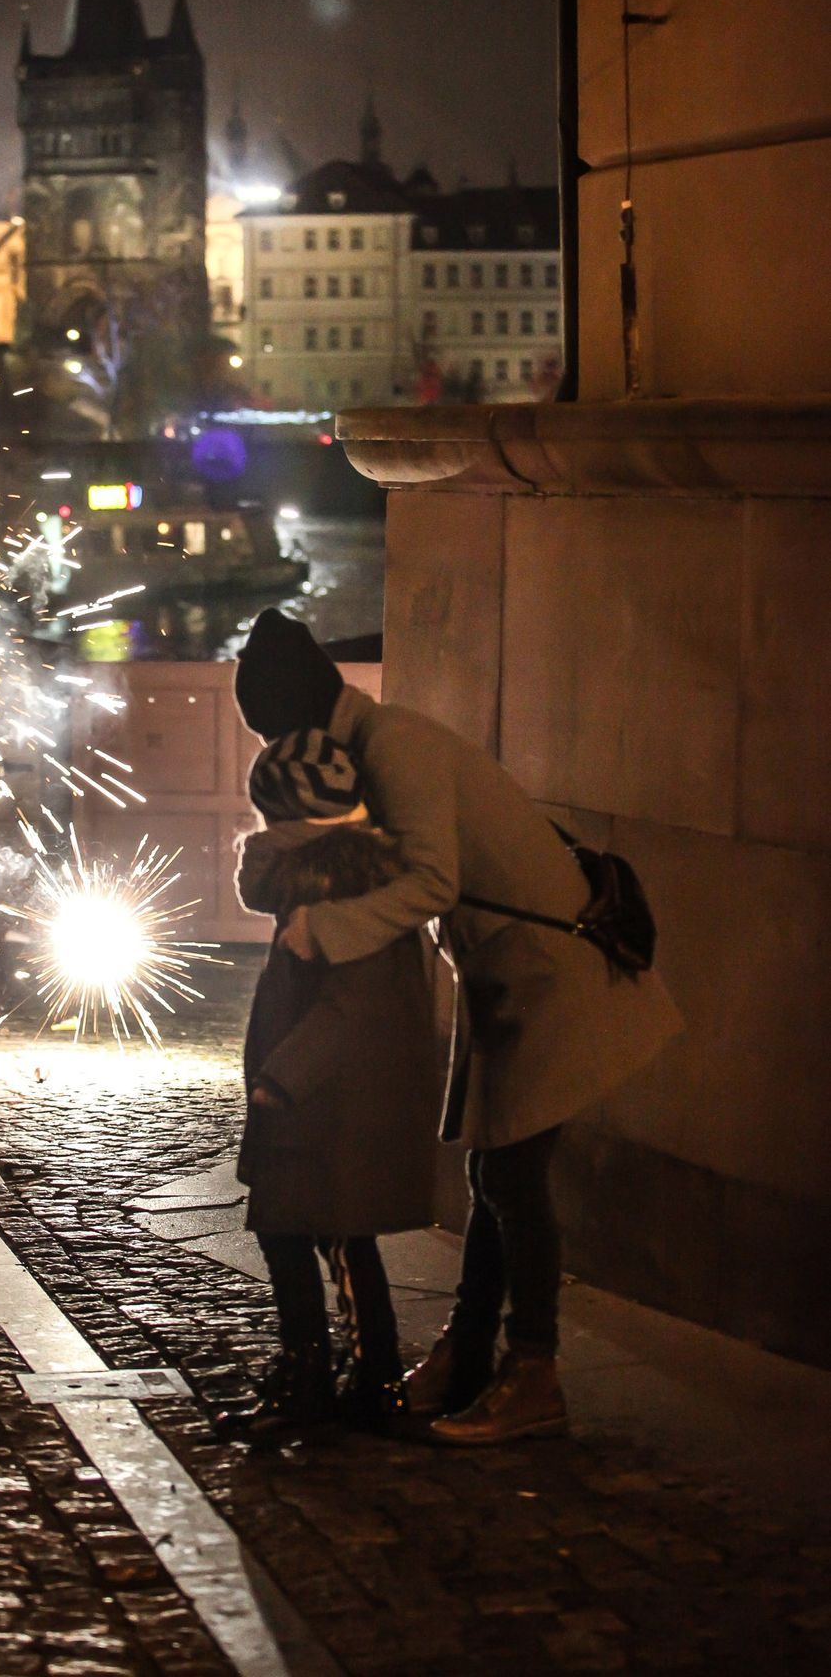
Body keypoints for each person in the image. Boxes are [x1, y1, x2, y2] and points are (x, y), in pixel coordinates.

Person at [233, 607, 685, 1446]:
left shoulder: (394, 748)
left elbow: (433, 882)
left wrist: (322, 935)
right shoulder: (377, 743)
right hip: (506, 977)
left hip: (548, 974)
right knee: (492, 1175)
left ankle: (533, 1371)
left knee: (511, 1181)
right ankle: (469, 1355)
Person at [217, 728, 439, 1445]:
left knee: (322, 1238)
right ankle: (348, 1380)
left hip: (324, 1106)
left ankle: (333, 1382)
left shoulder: (338, 885)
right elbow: (258, 885)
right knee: (319, 1237)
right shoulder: (324, 874)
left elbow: (355, 1002)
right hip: (320, 1101)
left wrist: (282, 1080)